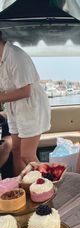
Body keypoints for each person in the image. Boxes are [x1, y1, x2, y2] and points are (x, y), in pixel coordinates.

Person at [0, 31, 51, 176]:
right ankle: (21, 189)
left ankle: (47, 186)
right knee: (16, 151)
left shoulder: (15, 56)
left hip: (30, 107)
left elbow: (25, 91)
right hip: (14, 108)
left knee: (27, 155)